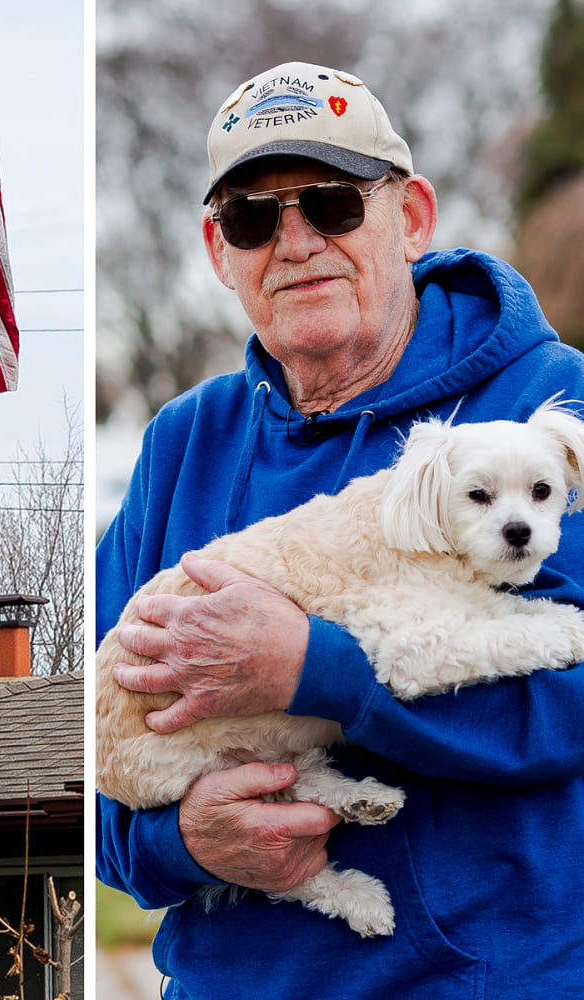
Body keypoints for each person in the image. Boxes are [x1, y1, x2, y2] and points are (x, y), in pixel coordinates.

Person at [96, 60, 584, 997]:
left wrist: (316, 670)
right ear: (217, 250)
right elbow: (95, 746)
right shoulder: (182, 446)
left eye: (331, 204)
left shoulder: (546, 409)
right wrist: (178, 839)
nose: (295, 242)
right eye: (253, 217)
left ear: (410, 217)